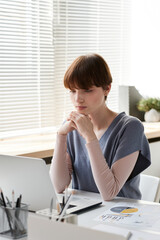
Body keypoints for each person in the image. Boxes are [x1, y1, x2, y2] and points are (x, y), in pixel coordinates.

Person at [49, 53, 151, 201]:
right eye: (72, 91)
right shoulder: (71, 127)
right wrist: (61, 136)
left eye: (87, 90)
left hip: (121, 215)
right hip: (85, 213)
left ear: (107, 89)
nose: (78, 98)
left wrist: (90, 137)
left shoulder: (130, 127)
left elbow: (109, 193)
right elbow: (59, 187)